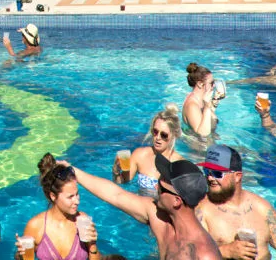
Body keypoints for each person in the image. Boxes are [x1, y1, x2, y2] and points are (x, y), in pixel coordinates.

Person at [73, 155, 220, 260]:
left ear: (177, 201)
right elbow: (115, 195)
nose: (156, 187)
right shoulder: (159, 216)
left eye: (161, 188)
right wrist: (72, 171)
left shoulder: (204, 254)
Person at [195, 145, 276, 260]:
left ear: (237, 176)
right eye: (207, 171)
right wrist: (225, 251)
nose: (210, 178)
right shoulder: (202, 211)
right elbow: (187, 253)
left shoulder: (262, 208)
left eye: (217, 173)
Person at [20, 155, 100, 260]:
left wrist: (92, 244)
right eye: (70, 197)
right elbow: (24, 257)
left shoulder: (82, 220)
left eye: (77, 194)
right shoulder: (35, 226)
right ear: (53, 196)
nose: (77, 201)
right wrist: (20, 255)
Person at [114, 105, 182, 196]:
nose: (158, 138)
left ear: (174, 135)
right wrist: (116, 172)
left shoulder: (180, 165)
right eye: (155, 131)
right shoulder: (140, 155)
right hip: (139, 205)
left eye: (164, 135)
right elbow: (123, 183)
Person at [183, 63, 223, 137]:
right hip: (200, 146)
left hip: (208, 142)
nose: (214, 86)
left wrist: (215, 100)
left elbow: (207, 118)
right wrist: (207, 106)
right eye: (211, 83)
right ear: (200, 84)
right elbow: (203, 133)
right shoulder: (192, 105)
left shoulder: (201, 99)